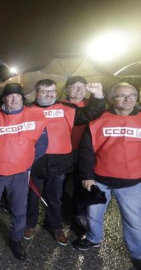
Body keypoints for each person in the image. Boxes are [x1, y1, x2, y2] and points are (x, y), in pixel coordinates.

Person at [24, 79, 105, 246]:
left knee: (55, 197)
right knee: (31, 197)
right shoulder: (27, 110)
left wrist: (97, 95)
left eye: (52, 91)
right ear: (36, 93)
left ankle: (54, 225)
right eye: (44, 91)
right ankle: (28, 223)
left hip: (59, 163)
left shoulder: (67, 109)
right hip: (34, 163)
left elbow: (90, 113)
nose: (49, 94)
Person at [73, 82, 141, 270]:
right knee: (93, 215)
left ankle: (137, 253)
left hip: (132, 183)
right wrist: (86, 176)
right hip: (100, 180)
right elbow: (87, 151)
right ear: (111, 99)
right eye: (122, 96)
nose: (128, 99)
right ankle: (94, 239)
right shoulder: (98, 120)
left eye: (132, 95)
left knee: (134, 222)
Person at [0, 83, 48, 261]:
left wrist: (27, 161)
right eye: (10, 96)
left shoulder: (34, 116)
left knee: (19, 208)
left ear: (22, 98)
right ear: (4, 99)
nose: (14, 99)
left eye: (17, 96)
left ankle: (16, 238)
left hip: (20, 172)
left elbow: (41, 144)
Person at [63, 76, 90, 234]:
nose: (79, 89)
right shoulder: (60, 105)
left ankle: (79, 217)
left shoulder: (92, 105)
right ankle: (60, 213)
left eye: (82, 86)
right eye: (74, 86)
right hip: (64, 152)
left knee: (82, 185)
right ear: (66, 89)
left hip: (85, 152)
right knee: (61, 185)